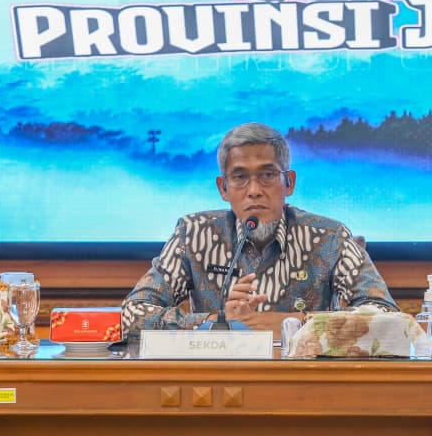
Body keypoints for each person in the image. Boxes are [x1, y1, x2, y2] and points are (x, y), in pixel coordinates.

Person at [122, 123, 398, 335]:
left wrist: (297, 323)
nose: (254, 190)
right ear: (223, 188)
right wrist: (217, 322)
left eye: (267, 175)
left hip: (305, 380)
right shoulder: (194, 234)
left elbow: (385, 315)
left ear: (289, 182)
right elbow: (132, 315)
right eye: (240, 177)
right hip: (217, 379)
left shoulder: (328, 238)